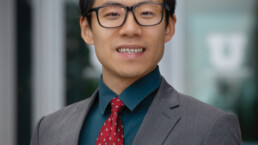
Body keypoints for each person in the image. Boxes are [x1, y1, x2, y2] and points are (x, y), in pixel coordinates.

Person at [30, 0, 242, 144]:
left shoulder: (210, 128)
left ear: (169, 26)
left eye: (147, 13)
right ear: (87, 29)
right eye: (112, 14)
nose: (130, 29)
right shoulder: (48, 130)